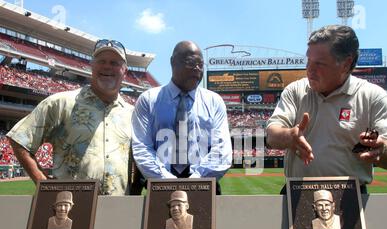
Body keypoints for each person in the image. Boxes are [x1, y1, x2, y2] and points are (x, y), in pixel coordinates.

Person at [266, 25, 387, 194]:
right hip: (298, 194)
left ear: (346, 64)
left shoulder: (373, 96)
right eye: (308, 60)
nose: (309, 69)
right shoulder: (295, 90)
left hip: (350, 198)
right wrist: (289, 136)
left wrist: (383, 148)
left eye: (319, 64)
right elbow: (271, 134)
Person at [7, 39, 137, 195]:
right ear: (92, 66)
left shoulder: (133, 113)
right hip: (72, 207)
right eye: (101, 61)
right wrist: (42, 182)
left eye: (114, 63)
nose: (107, 66)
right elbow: (19, 139)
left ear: (125, 70)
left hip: (120, 209)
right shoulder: (61, 102)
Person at [131, 41, 232, 195]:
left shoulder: (214, 101)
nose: (197, 68)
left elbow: (222, 150)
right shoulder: (148, 99)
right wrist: (167, 183)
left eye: (201, 64)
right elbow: (142, 147)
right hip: (159, 188)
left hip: (205, 187)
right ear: (173, 62)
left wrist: (196, 182)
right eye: (191, 62)